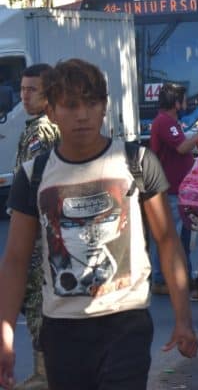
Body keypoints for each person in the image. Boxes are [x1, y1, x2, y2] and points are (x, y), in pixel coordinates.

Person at [0, 58, 198, 390]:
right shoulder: (32, 176)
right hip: (62, 329)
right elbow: (16, 259)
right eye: (71, 104)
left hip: (126, 322)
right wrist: (6, 331)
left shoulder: (137, 162)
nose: (82, 115)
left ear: (104, 107)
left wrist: (183, 319)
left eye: (92, 103)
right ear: (52, 111)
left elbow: (167, 240)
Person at [11, 64, 60, 390]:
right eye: (23, 89)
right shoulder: (42, 128)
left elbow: (38, 187)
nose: (24, 96)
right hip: (46, 236)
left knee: (36, 304)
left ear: (48, 96)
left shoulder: (40, 132)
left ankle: (47, 375)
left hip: (39, 237)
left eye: (32, 90)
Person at [149, 83, 198, 298]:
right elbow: (181, 147)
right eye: (183, 100)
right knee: (174, 235)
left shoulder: (170, 123)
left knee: (177, 234)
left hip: (176, 188)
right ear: (176, 102)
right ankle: (166, 278)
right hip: (171, 190)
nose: (186, 104)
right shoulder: (165, 123)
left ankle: (176, 276)